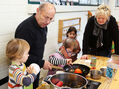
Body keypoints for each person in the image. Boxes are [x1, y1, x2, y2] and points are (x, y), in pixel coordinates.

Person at [15, 2, 56, 89]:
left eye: (51, 19)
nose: (48, 22)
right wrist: (41, 63)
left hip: (35, 68)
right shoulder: (25, 29)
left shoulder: (44, 25)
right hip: (23, 73)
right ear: (38, 11)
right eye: (46, 17)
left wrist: (40, 64)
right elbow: (20, 56)